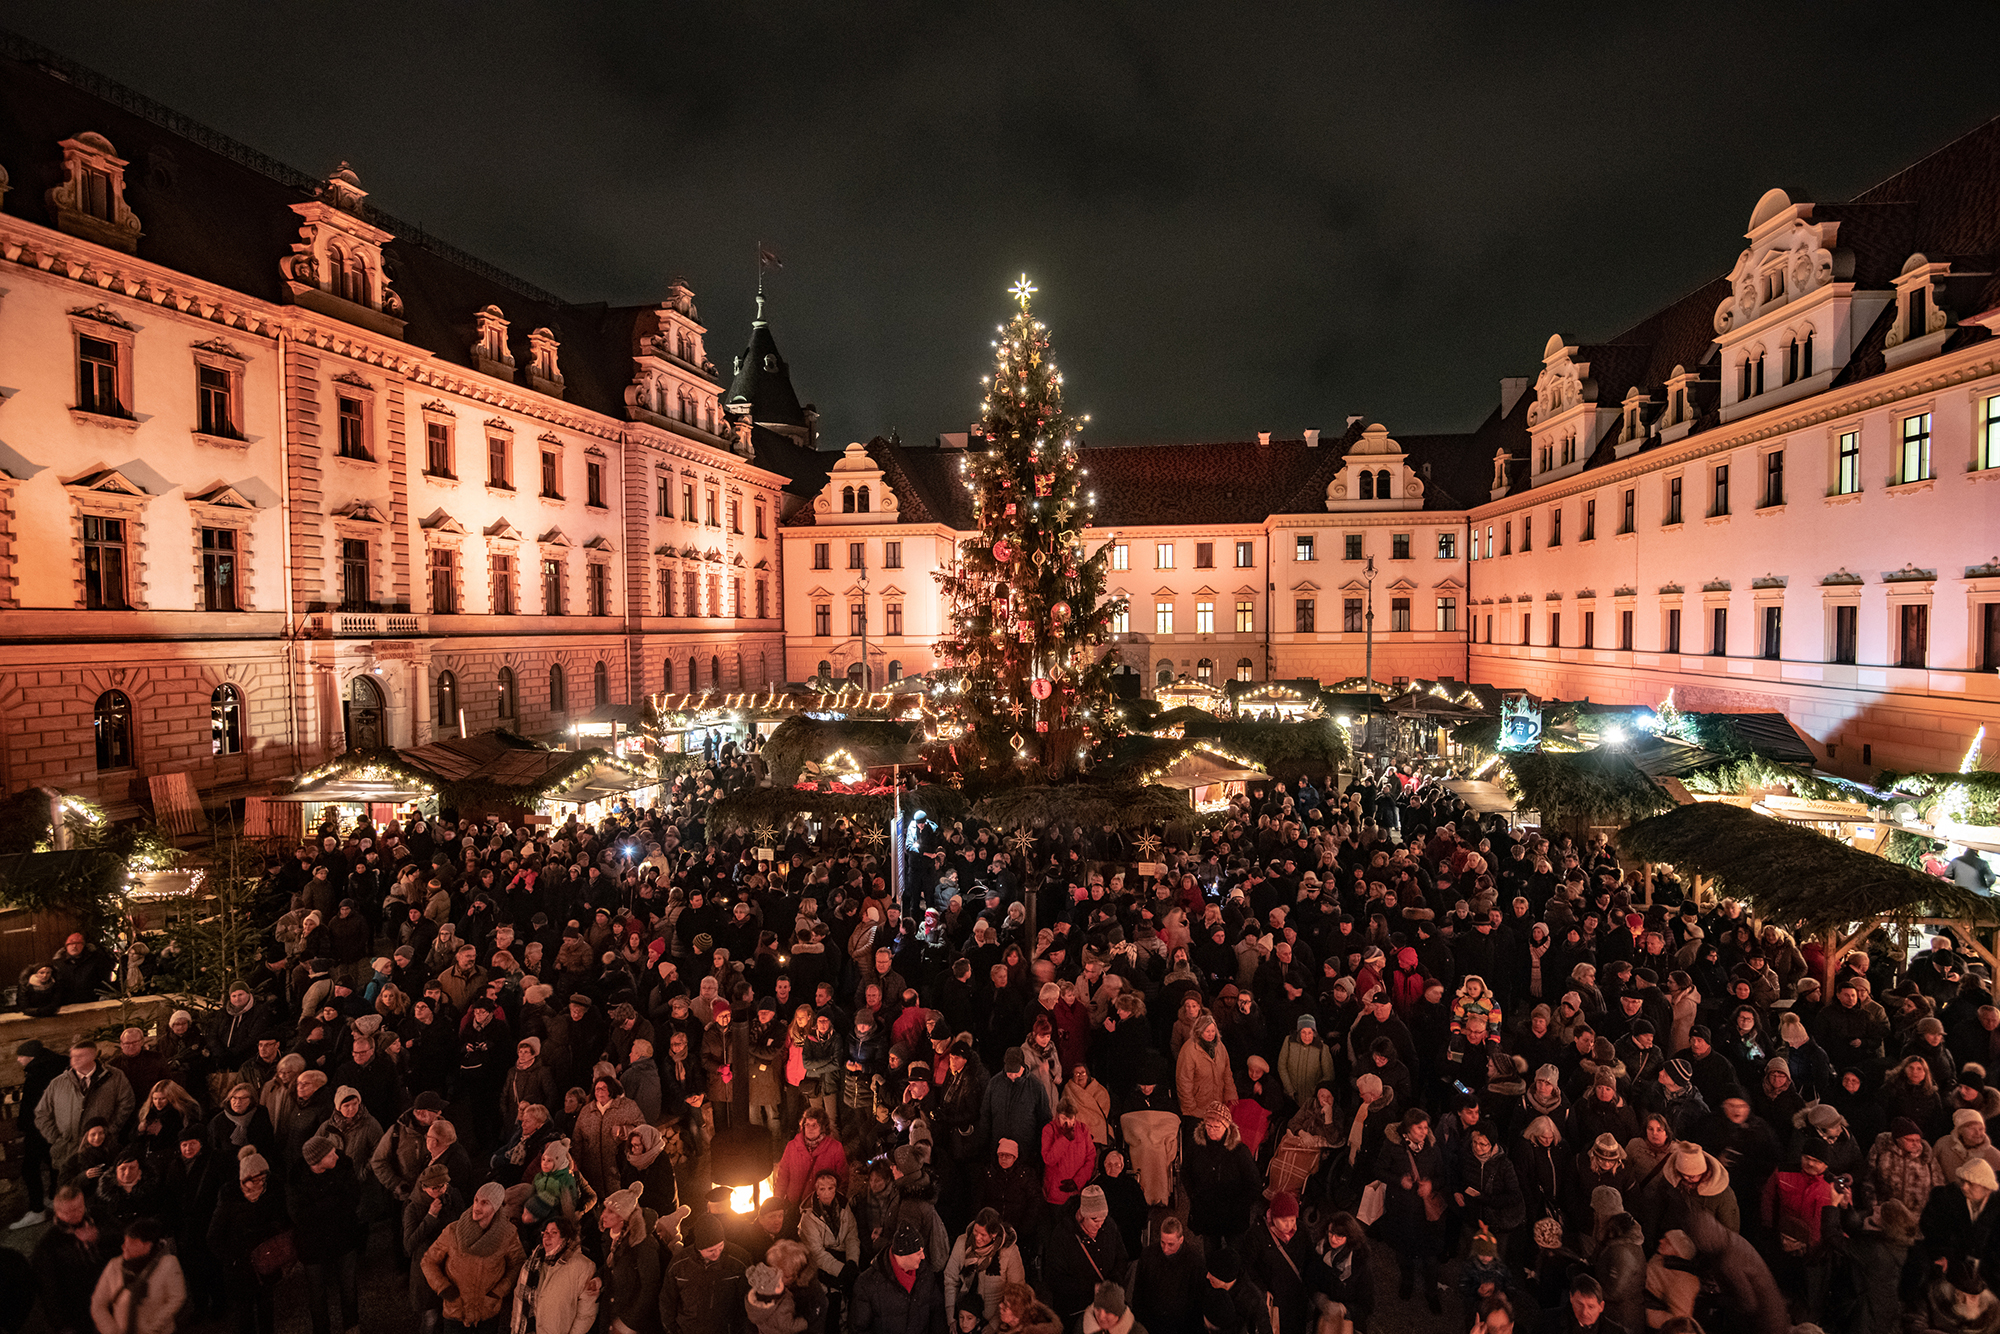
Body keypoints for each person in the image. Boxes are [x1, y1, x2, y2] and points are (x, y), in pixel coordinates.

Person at [423, 1180, 528, 1333]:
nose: (477, 1207)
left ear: (496, 1206)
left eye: (485, 1203)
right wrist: (443, 1287)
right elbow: (429, 1261)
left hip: (487, 1313)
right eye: (476, 1200)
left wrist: (498, 1291)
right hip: (456, 1313)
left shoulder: (507, 1234)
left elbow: (518, 1262)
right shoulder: (453, 1231)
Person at [292, 1133, 365, 1334]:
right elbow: (300, 1215)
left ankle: (351, 1326)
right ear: (317, 1162)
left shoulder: (343, 1167)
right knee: (317, 1294)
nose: (337, 1156)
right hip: (313, 1246)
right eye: (331, 1154)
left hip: (344, 1239)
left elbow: (353, 1198)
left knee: (348, 1288)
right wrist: (333, 1202)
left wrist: (322, 1206)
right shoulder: (297, 1179)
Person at [36, 1038, 136, 1172]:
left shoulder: (114, 1077)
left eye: (80, 1056)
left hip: (101, 1149)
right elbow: (42, 1113)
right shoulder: (58, 1083)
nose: (75, 1060)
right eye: (73, 1056)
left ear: (93, 1056)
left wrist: (111, 1129)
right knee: (67, 1187)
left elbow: (127, 1102)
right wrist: (56, 1138)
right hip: (67, 1152)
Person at [31, 1184, 107, 1334]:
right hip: (79, 1310)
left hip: (107, 1295)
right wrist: (60, 1325)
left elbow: (121, 1237)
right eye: (69, 1211)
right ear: (58, 1212)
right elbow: (48, 1289)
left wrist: (98, 1237)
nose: (76, 1214)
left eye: (79, 1208)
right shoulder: (48, 1245)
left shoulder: (98, 1218)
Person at [88, 1217, 185, 1334]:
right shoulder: (115, 1266)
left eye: (132, 1242)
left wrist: (153, 1325)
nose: (124, 1246)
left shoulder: (168, 1264)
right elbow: (98, 1303)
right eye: (125, 1241)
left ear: (147, 1245)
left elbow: (177, 1297)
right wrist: (112, 1330)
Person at [660, 1207, 749, 1334]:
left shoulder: (739, 1261)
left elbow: (748, 1302)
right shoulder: (679, 1264)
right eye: (710, 1251)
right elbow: (667, 1301)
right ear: (699, 1247)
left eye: (720, 1247)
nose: (716, 1254)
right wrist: (672, 1330)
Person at [508, 1215, 598, 1334]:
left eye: (553, 1233)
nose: (547, 1237)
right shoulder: (533, 1262)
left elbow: (586, 1313)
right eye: (545, 1233)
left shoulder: (582, 1266)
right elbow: (518, 1297)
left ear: (565, 1237)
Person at [852, 1224, 946, 1334]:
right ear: (903, 1255)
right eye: (918, 1253)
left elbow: (937, 1315)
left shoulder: (925, 1275)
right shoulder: (868, 1283)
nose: (923, 1257)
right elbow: (858, 1328)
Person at [942, 1208, 1024, 1332]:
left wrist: (995, 1324)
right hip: (965, 1318)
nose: (977, 1238)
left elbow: (1016, 1292)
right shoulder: (962, 1243)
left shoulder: (1009, 1251)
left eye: (983, 1235)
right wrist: (951, 1316)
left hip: (993, 1319)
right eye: (975, 1232)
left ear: (994, 1235)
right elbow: (950, 1279)